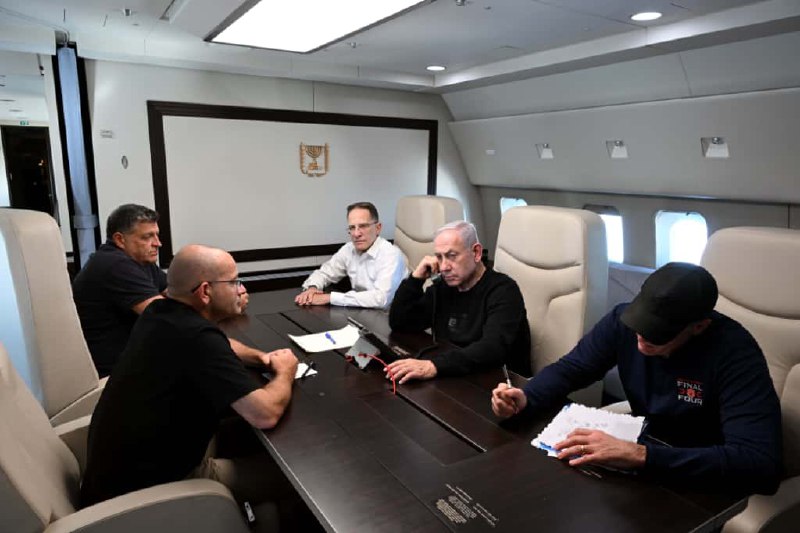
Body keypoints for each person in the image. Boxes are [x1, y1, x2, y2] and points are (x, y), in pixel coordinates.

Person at [491, 262, 782, 494]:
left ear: (698, 327)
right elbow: (573, 368)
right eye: (639, 326)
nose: (642, 340)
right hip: (648, 445)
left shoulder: (735, 353)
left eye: (658, 334)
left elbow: (759, 464)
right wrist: (528, 396)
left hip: (702, 470)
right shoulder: (623, 322)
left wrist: (641, 455)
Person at [80, 245, 300, 516]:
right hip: (149, 492)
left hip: (116, 477)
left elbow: (220, 345)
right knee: (294, 476)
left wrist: (262, 357)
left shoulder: (160, 313)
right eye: (233, 282)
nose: (241, 289)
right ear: (205, 291)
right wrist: (285, 371)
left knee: (247, 438)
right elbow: (265, 414)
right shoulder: (195, 337)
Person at [387, 220, 530, 383]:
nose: (443, 267)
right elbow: (400, 322)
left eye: (451, 256)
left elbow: (491, 348)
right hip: (454, 373)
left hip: (498, 383)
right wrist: (415, 279)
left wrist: (433, 366)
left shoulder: (504, 290)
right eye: (439, 257)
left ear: (476, 252)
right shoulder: (443, 287)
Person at [72, 204, 167, 376]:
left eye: (156, 235)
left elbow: (177, 292)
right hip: (114, 374)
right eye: (147, 237)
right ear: (120, 240)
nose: (157, 243)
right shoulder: (114, 264)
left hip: (136, 362)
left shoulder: (142, 261)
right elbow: (165, 316)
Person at [295, 201, 407, 309]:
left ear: (378, 228)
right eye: (352, 228)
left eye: (363, 226)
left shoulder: (390, 254)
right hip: (360, 312)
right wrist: (312, 288)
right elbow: (324, 273)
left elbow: (381, 299)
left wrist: (330, 298)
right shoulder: (349, 249)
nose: (356, 234)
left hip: (390, 316)